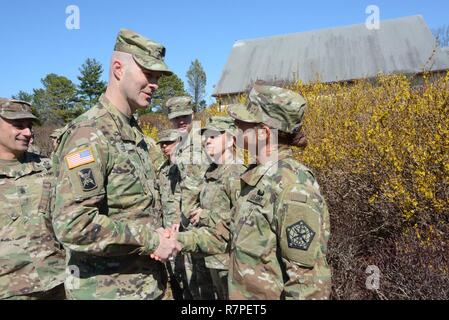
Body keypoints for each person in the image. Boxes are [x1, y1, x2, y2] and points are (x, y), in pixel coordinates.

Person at [162, 84, 332, 300]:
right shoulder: (256, 178)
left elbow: (308, 283)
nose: (237, 128)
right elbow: (225, 234)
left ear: (263, 133)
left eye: (243, 124)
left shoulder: (293, 186)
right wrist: (176, 241)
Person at [51, 29, 180, 300]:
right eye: (148, 74)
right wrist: (153, 240)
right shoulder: (89, 134)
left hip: (142, 286)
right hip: (106, 291)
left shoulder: (135, 135)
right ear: (118, 69)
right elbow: (74, 225)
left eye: (157, 77)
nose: (154, 84)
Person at [0, 98, 66, 300]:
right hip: (10, 290)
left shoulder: (48, 168)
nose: (28, 133)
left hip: (59, 282)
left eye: (29, 126)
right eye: (18, 125)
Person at [190, 116, 246, 299]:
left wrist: (205, 216)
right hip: (212, 256)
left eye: (213, 136)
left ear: (230, 140)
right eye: (206, 136)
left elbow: (243, 220)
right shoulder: (211, 170)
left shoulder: (236, 173)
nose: (207, 140)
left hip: (229, 259)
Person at [165, 96, 213, 299]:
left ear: (192, 115)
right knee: (191, 280)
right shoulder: (181, 145)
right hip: (186, 223)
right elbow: (179, 189)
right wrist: (177, 219)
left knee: (206, 284)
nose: (181, 122)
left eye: (184, 117)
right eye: (176, 119)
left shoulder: (205, 140)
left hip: (203, 222)